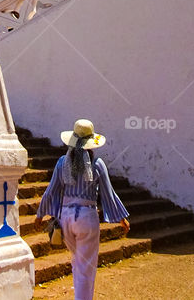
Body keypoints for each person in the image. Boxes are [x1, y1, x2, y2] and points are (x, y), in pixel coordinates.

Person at [34, 119, 130, 299]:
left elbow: (51, 190)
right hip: (87, 217)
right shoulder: (97, 164)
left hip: (66, 218)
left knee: (77, 262)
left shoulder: (62, 162)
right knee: (86, 267)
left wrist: (40, 215)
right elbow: (108, 194)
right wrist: (121, 218)